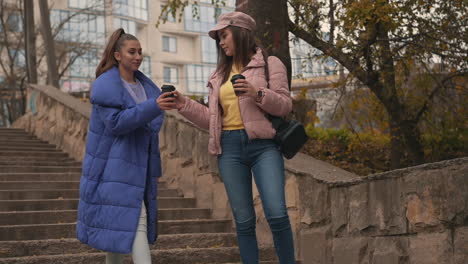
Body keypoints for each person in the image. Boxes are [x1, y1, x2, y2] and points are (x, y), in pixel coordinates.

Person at [170, 12, 295, 264]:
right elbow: (212, 120)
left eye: (224, 35)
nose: (221, 42)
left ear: (240, 32)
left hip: (264, 147)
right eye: (218, 39)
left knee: (277, 213)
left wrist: (256, 92)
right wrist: (183, 104)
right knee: (244, 220)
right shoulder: (218, 75)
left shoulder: (270, 63)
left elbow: (284, 106)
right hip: (229, 149)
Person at [76, 28, 176, 264]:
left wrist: (155, 170)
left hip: (138, 171)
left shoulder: (145, 87)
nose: (138, 56)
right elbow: (116, 124)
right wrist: (154, 106)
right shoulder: (106, 86)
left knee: (116, 232)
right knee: (136, 224)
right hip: (112, 170)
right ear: (118, 55)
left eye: (140, 52)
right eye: (132, 51)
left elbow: (149, 136)